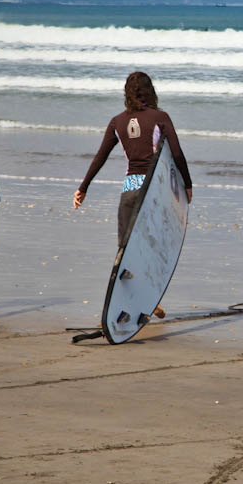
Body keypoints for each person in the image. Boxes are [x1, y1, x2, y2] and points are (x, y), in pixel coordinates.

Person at [73, 72, 193, 318]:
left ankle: (125, 304)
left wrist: (83, 187)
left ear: (126, 93)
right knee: (154, 245)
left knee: (125, 250)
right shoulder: (160, 118)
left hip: (129, 191)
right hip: (153, 193)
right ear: (151, 92)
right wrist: (187, 185)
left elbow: (101, 156)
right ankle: (150, 299)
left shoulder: (117, 122)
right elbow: (178, 155)